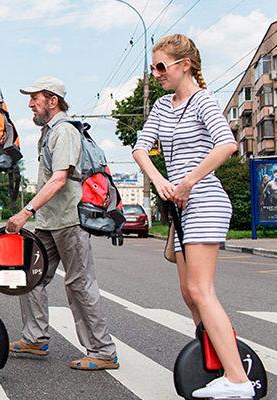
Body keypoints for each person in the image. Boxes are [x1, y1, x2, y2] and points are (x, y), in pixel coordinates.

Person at [132, 34, 254, 399]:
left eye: (161, 66)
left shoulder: (203, 100)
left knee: (202, 290)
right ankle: (214, 361)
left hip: (205, 201)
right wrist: (161, 182)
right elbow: (140, 148)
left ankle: (238, 380)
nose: (156, 74)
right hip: (180, 205)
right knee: (188, 292)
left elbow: (227, 144)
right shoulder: (162, 107)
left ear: (185, 65)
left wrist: (186, 182)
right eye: (153, 67)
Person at [5, 77, 119, 370]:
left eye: (35, 98)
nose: (30, 103)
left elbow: (59, 179)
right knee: (29, 277)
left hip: (69, 221)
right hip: (49, 222)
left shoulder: (65, 131)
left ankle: (103, 351)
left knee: (79, 283)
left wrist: (25, 212)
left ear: (52, 100)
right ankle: (35, 337)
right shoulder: (48, 133)